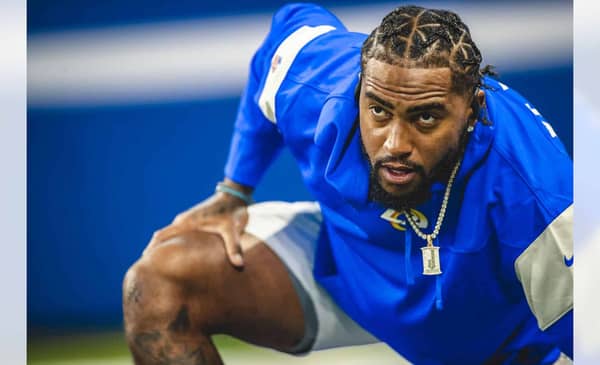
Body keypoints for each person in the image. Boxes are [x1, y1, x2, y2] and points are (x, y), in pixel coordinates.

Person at [122, 4, 573, 364]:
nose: (395, 144)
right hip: (345, 267)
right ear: (359, 90)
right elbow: (282, 37)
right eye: (378, 111)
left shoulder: (539, 194)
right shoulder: (314, 81)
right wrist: (234, 190)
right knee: (159, 283)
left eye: (426, 117)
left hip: (492, 336)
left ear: (473, 110)